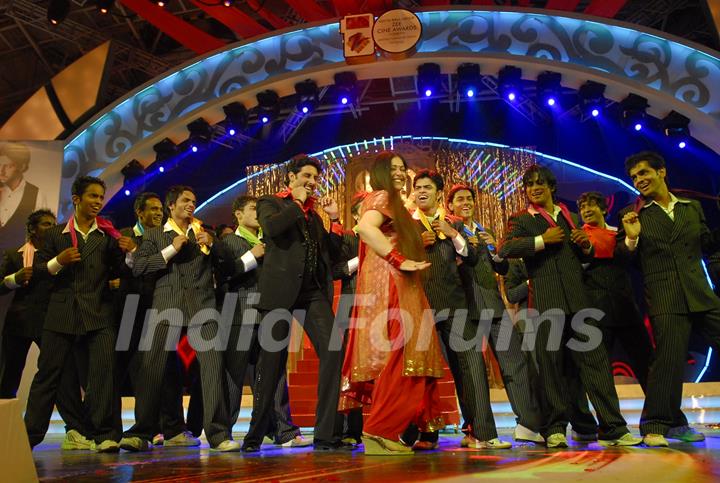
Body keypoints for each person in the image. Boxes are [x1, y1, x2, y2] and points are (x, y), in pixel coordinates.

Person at [499, 165, 641, 448]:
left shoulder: (571, 216)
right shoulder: (521, 220)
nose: (534, 188)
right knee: (551, 370)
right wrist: (541, 240)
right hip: (545, 305)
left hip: (579, 303)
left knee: (596, 367)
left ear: (552, 187)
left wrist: (585, 246)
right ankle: (554, 429)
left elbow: (584, 257)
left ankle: (613, 428)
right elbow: (505, 249)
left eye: (540, 183)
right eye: (529, 185)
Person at [339, 152, 445, 456]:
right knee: (403, 354)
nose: (400, 173)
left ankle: (396, 430)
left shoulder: (396, 203)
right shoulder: (382, 196)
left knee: (412, 352)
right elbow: (366, 229)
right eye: (394, 169)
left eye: (403, 168)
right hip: (393, 283)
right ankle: (379, 431)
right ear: (382, 173)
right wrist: (400, 259)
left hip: (404, 283)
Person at [120, 186, 236, 452]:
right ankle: (142, 432)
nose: (191, 204)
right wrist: (170, 250)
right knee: (151, 369)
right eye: (185, 200)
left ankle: (218, 434)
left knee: (212, 367)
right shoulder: (154, 235)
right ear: (170, 206)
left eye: (194, 200)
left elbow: (229, 266)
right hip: (166, 306)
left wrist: (214, 245)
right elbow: (138, 267)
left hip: (203, 307)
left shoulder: (204, 233)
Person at [24, 176, 136, 452]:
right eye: (93, 196)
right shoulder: (54, 235)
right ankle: (28, 437)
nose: (98, 201)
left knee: (102, 375)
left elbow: (122, 271)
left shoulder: (108, 236)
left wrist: (131, 253)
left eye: (100, 197)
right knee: (48, 376)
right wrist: (57, 262)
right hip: (61, 314)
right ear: (76, 199)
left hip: (99, 313)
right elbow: (37, 273)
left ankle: (103, 434)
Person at [242, 155, 346, 452]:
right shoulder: (270, 203)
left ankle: (325, 435)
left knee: (333, 350)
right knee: (271, 365)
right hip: (278, 293)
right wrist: (297, 205)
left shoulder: (313, 215)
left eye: (315, 178)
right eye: (306, 176)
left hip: (311, 292)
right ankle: (255, 435)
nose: (311, 183)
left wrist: (335, 221)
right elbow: (272, 230)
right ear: (291, 177)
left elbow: (330, 253)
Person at [616, 151, 720, 446]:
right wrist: (632, 237)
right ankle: (656, 426)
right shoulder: (636, 215)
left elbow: (705, 244)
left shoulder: (691, 208)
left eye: (644, 173)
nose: (639, 180)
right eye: (635, 177)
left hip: (699, 291)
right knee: (668, 363)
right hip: (665, 296)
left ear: (662, 172)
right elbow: (623, 259)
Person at [447, 184, 544, 445]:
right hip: (464, 308)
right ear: (451, 205)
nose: (466, 203)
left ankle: (528, 423)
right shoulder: (449, 230)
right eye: (460, 199)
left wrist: (494, 250)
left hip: (492, 305)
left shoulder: (484, 230)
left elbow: (502, 269)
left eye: (469, 199)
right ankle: (474, 429)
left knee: (515, 363)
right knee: (471, 373)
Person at [217, 194, 311, 448]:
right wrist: (252, 256)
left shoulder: (272, 239)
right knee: (234, 376)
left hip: (271, 314)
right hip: (240, 314)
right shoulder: (228, 241)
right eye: (251, 209)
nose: (258, 214)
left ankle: (284, 430)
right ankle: (223, 432)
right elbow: (223, 274)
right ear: (238, 214)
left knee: (275, 373)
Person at [0, 209, 92, 450]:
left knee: (63, 375)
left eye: (54, 223)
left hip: (51, 320)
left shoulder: (57, 253)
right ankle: (3, 426)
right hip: (19, 323)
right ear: (32, 229)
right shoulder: (14, 254)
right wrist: (14, 279)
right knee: (9, 374)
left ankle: (74, 429)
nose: (51, 227)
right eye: (45, 224)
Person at [114, 192, 192, 448]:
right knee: (129, 370)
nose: (159, 214)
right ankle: (112, 432)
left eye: (161, 209)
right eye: (154, 209)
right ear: (139, 212)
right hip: (129, 311)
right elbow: (121, 268)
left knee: (168, 370)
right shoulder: (123, 236)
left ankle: (171, 428)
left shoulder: (165, 236)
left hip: (158, 309)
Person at [332, 191, 367, 445]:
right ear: (355, 215)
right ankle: (349, 431)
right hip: (352, 306)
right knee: (349, 369)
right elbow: (336, 270)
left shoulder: (386, 239)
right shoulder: (347, 238)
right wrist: (361, 258)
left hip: (383, 309)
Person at [0, 142, 49, 248]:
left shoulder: (36, 194)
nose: (1, 171)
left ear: (22, 167)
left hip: (19, 260)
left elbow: (43, 233)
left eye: (8, 166)